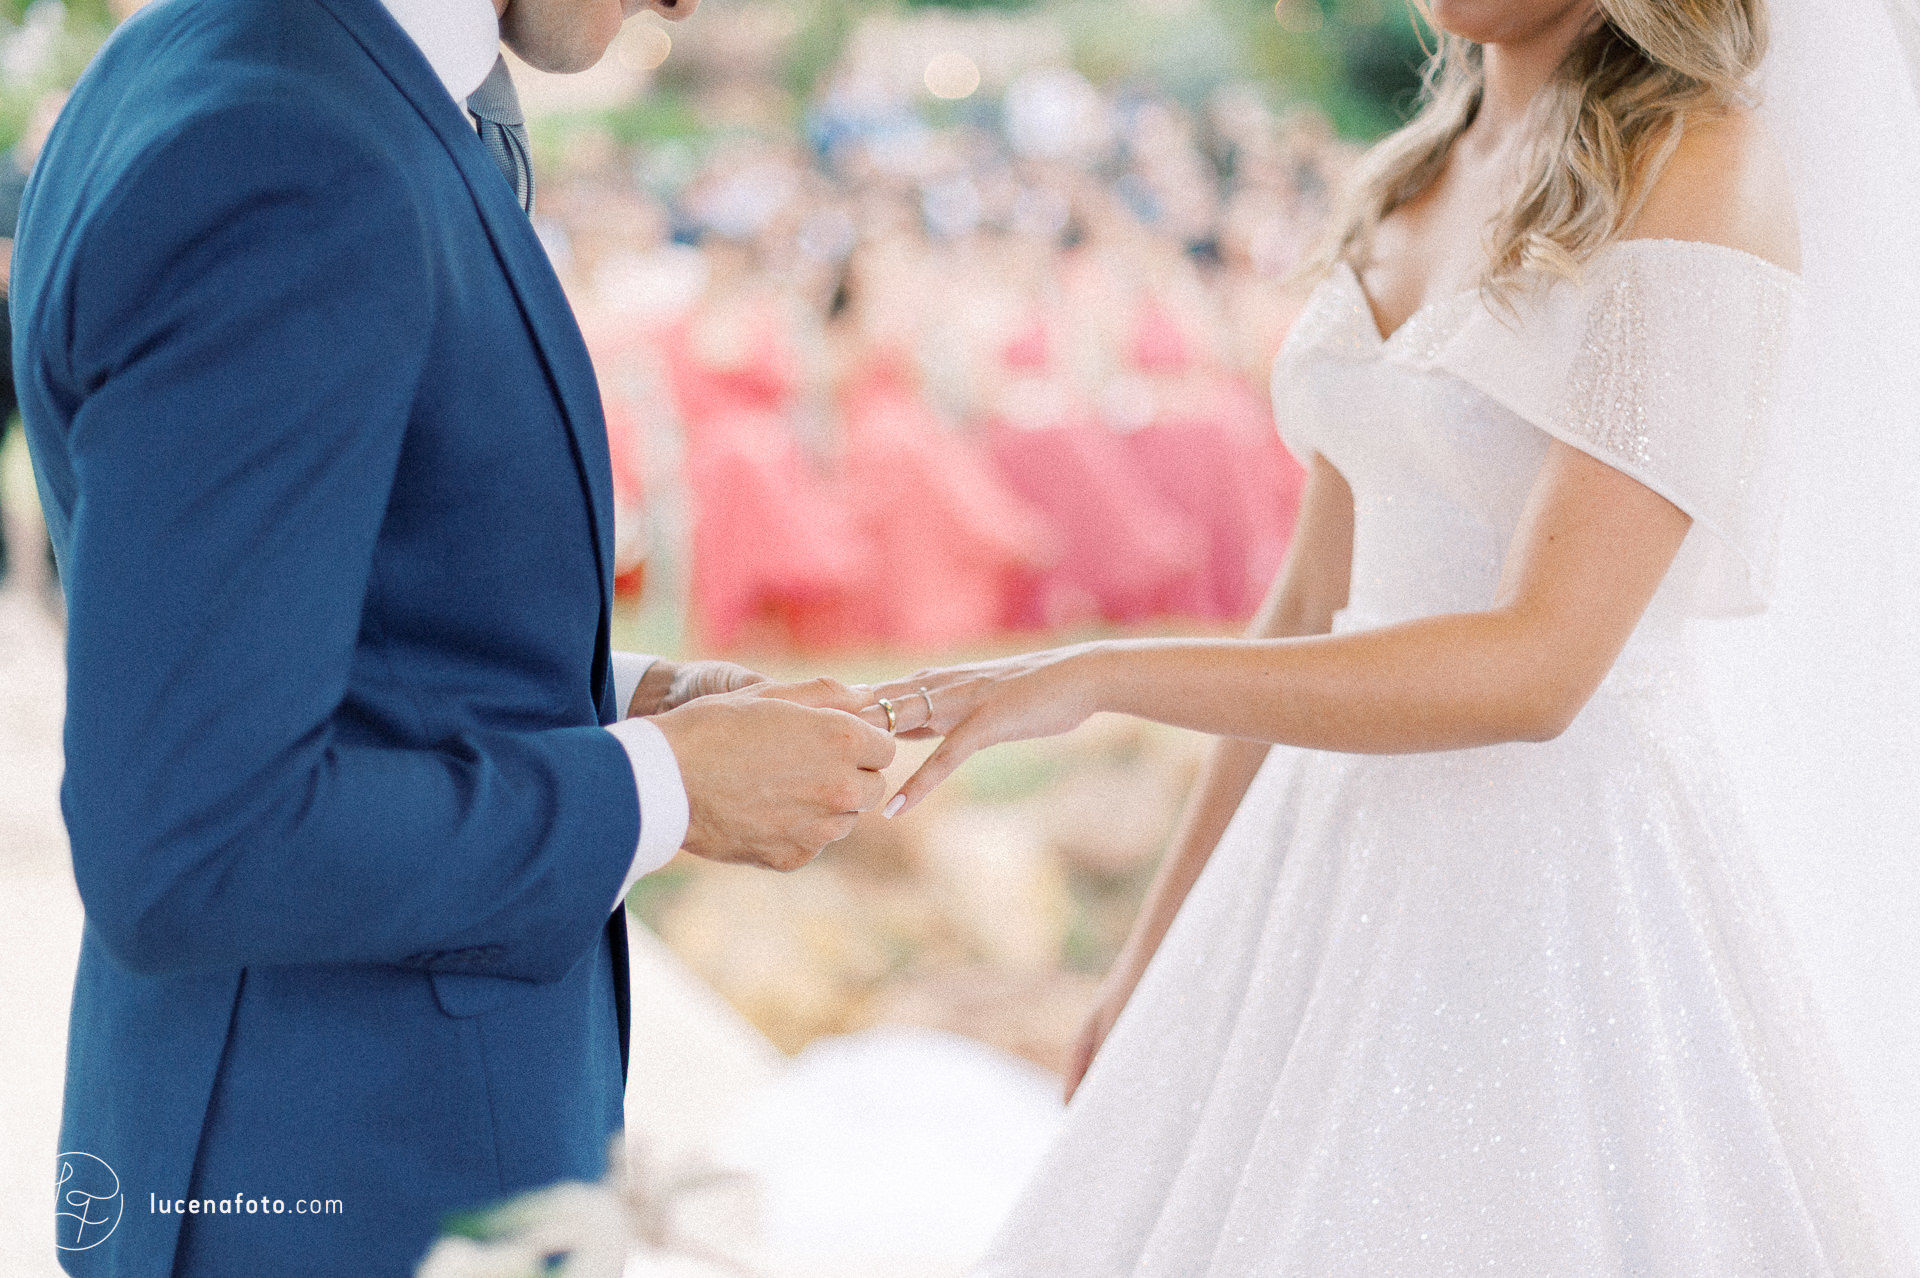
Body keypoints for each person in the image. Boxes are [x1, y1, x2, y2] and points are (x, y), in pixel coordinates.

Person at [861, 0, 1919, 1271]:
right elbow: (1312, 605)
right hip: (1313, 860)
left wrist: (1095, 675)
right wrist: (1155, 954)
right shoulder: (1409, 174)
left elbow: (1540, 669)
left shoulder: (1696, 162)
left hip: (1549, 884)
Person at [13, 0, 896, 1273]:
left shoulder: (222, 61)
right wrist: (668, 792)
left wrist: (635, 698)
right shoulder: (287, 148)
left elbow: (328, 626)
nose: (687, 4)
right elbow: (193, 836)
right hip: (331, 1180)